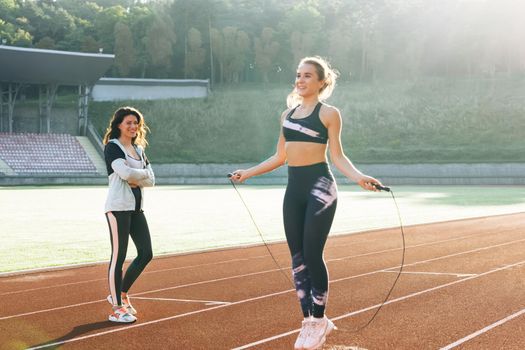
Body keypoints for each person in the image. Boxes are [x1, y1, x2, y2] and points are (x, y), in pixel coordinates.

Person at [230, 56, 383, 350]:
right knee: (297, 259)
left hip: (320, 188)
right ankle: (308, 322)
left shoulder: (329, 114)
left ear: (321, 82)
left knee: (313, 254)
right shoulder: (287, 115)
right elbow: (279, 157)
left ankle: (320, 317)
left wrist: (360, 177)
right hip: (294, 191)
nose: (300, 80)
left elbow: (337, 156)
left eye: (308, 76)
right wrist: (247, 173)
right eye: (298, 75)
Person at [102, 106, 155, 323]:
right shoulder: (112, 147)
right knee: (119, 256)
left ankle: (121, 293)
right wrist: (139, 175)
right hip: (117, 208)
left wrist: (137, 176)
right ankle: (116, 307)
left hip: (136, 208)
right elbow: (124, 173)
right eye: (128, 123)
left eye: (136, 123)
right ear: (119, 125)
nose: (133, 127)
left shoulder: (139, 150)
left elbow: (152, 179)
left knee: (146, 253)